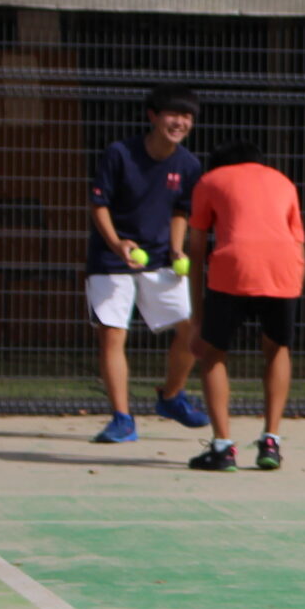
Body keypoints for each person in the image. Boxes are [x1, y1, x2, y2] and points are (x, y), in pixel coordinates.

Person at [86, 84, 210, 443]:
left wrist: (176, 249)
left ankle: (171, 397)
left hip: (160, 260)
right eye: (173, 114)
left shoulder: (189, 164)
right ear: (153, 116)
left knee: (192, 331)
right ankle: (122, 419)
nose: (180, 122)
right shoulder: (119, 153)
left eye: (186, 116)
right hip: (110, 260)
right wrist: (117, 243)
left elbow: (180, 211)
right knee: (113, 335)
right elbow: (99, 205)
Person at [184, 143, 305, 472]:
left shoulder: (210, 181)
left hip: (233, 268)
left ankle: (223, 447)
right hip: (284, 269)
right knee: (277, 348)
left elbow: (196, 249)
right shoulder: (283, 181)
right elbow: (298, 244)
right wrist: (293, 287)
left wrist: (197, 319)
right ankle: (271, 442)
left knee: (213, 353)